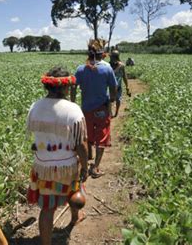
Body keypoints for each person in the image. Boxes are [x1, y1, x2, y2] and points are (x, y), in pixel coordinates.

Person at [26, 66, 89, 245]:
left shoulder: (35, 107)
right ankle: (75, 217)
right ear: (65, 87)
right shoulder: (72, 109)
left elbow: (34, 139)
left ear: (47, 86)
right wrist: (84, 166)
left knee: (47, 208)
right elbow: (81, 144)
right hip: (67, 166)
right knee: (74, 192)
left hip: (43, 166)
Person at [71, 39, 118, 179]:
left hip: (85, 109)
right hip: (102, 108)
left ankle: (87, 160)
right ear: (102, 53)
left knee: (87, 135)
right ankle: (96, 167)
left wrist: (73, 102)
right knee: (102, 137)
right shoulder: (107, 68)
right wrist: (112, 99)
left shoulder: (80, 69)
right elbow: (113, 87)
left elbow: (73, 86)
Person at [109, 49, 131, 118]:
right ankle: (110, 112)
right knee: (109, 100)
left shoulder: (121, 66)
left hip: (118, 87)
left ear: (115, 57)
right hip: (110, 87)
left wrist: (127, 87)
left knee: (118, 100)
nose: (110, 58)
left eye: (112, 57)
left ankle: (116, 113)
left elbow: (124, 76)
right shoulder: (108, 65)